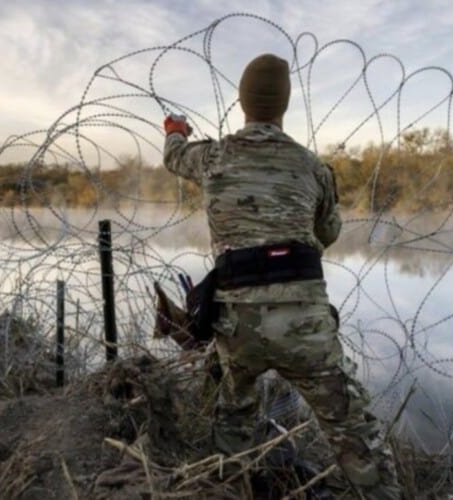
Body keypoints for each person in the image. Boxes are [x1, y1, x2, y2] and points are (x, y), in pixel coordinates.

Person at [162, 54, 402, 498]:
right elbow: (328, 232)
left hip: (238, 324)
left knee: (232, 416)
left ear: (242, 101)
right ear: (284, 105)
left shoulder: (213, 157)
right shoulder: (313, 167)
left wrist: (174, 129)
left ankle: (230, 486)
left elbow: (174, 156)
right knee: (350, 426)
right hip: (305, 325)